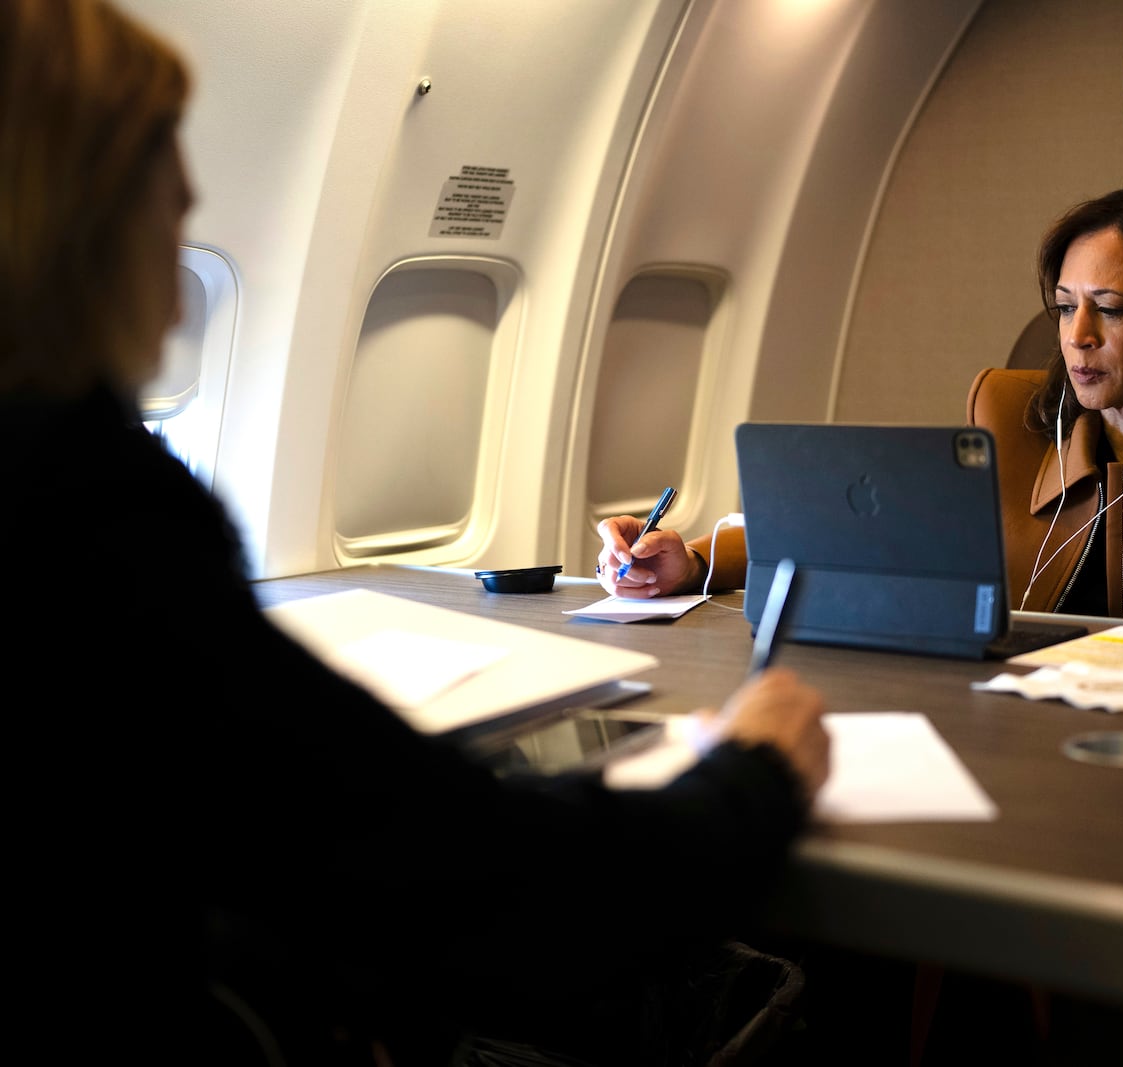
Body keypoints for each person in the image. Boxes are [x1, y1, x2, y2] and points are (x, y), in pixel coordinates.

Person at [0, 2, 828, 1063]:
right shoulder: (94, 520)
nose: (192, 196)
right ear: (82, 208)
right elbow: (476, 880)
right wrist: (750, 774)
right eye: (165, 157)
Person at [596, 181, 1123, 649]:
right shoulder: (1010, 413)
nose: (1076, 339)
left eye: (1111, 309)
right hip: (1015, 737)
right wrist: (692, 561)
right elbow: (875, 529)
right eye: (1063, 308)